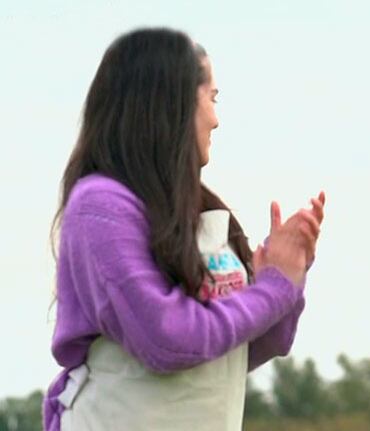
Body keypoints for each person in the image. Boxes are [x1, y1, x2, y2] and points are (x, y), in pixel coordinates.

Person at [43, 28, 326, 431]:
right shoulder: (100, 205)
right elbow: (167, 338)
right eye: (211, 98)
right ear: (170, 102)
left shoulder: (198, 208)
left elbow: (245, 348)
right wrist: (273, 290)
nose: (216, 118)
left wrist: (287, 275)